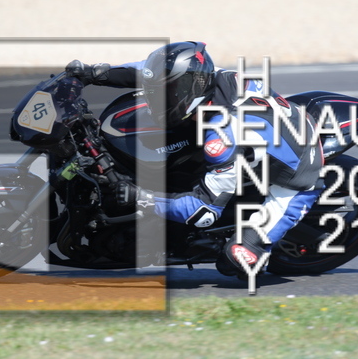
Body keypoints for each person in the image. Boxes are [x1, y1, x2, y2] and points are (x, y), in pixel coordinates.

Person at [65, 41, 323, 277]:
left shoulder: (222, 136)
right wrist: (92, 73)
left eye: (168, 93)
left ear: (190, 90)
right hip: (270, 129)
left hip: (296, 173)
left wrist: (141, 197)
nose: (156, 98)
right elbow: (145, 71)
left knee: (233, 261)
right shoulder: (204, 75)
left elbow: (204, 211)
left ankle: (256, 249)